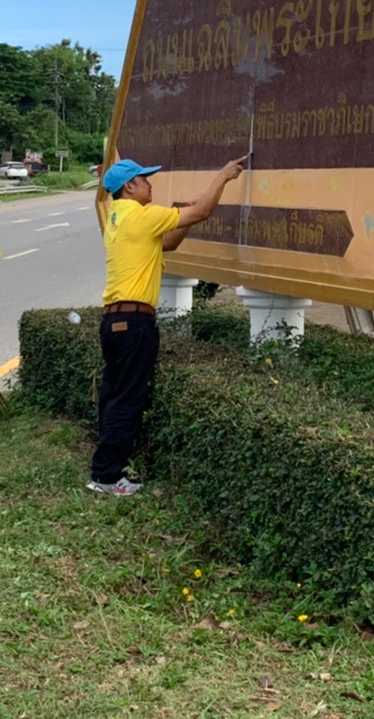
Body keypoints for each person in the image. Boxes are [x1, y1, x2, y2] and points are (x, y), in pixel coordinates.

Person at [91, 155, 247, 497]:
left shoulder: (118, 217)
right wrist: (223, 176)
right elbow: (203, 212)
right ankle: (107, 476)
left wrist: (185, 214)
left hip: (113, 321)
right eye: (144, 180)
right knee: (128, 399)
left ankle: (103, 471)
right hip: (134, 323)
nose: (150, 185)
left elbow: (169, 243)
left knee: (114, 396)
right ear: (129, 187)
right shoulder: (141, 215)